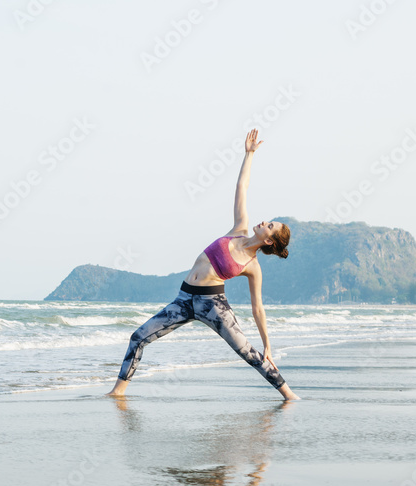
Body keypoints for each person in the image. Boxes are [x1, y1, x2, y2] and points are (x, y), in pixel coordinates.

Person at [107, 129, 300, 401]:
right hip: (184, 298)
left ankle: (290, 396)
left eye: (270, 226)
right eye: (269, 220)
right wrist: (249, 154)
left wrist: (268, 345)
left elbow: (258, 307)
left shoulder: (253, 266)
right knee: (138, 337)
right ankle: (117, 393)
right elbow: (241, 187)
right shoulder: (239, 229)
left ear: (270, 241)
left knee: (248, 353)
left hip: (213, 306)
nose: (264, 222)